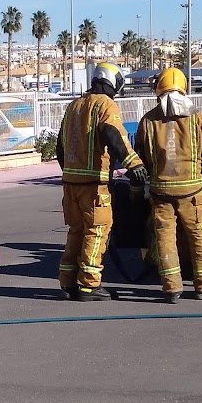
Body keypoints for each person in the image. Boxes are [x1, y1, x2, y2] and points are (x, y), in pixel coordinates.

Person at [56, 61, 147, 300]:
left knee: (76, 231)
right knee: (96, 232)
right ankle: (89, 284)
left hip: (70, 184)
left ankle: (68, 281)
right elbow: (114, 135)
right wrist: (134, 164)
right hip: (93, 184)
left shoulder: (74, 106)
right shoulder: (106, 105)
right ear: (112, 81)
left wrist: (69, 173)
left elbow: (60, 145)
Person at [135, 67, 202, 302]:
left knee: (165, 239)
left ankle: (172, 288)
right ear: (184, 89)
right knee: (199, 237)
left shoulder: (147, 121)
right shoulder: (199, 119)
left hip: (160, 192)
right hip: (192, 192)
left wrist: (135, 192)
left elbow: (139, 160)